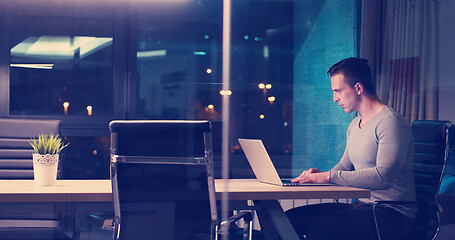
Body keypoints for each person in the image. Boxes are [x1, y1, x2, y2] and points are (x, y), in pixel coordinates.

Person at [286, 58, 416, 240]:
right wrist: (319, 176)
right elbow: (344, 167)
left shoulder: (391, 122)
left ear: (358, 88)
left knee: (319, 227)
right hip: (364, 207)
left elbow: (384, 177)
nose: (334, 98)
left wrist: (329, 177)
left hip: (392, 214)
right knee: (290, 219)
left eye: (338, 91)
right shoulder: (355, 124)